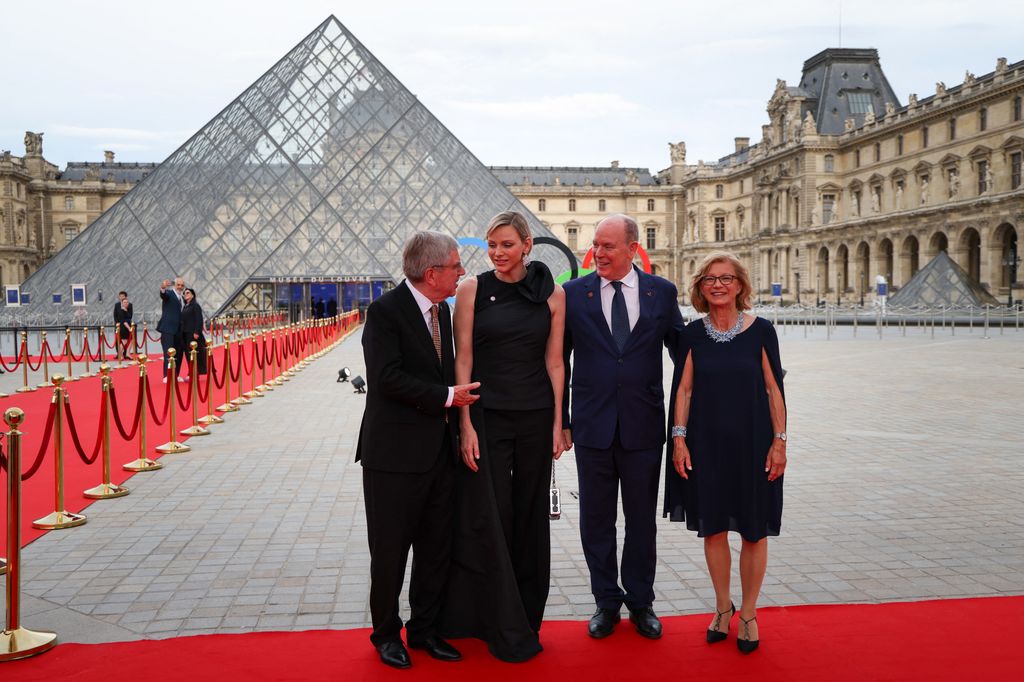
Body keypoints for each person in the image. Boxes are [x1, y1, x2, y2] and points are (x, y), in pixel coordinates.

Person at [439, 211, 566, 662]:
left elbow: (555, 363)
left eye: (507, 245)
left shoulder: (553, 294)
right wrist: (465, 424)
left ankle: (527, 615)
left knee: (531, 517)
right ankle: (493, 616)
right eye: (492, 245)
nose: (497, 253)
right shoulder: (472, 289)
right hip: (487, 417)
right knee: (492, 515)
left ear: (527, 245)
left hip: (535, 416)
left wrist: (558, 423)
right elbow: (463, 362)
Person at [355, 231, 480, 670]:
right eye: (455, 265)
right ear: (433, 274)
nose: (462, 271)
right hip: (393, 458)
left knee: (435, 548)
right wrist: (448, 396)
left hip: (438, 456)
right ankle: (386, 634)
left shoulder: (444, 312)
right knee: (389, 552)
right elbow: (386, 378)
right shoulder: (385, 312)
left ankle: (425, 629)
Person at [561, 214, 683, 640]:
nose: (598, 253)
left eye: (608, 246)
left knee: (640, 521)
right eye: (595, 245)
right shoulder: (573, 294)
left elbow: (684, 355)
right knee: (595, 519)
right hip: (592, 428)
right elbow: (558, 362)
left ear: (633, 249)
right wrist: (561, 421)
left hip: (643, 426)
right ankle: (605, 602)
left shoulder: (661, 293)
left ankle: (642, 602)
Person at [664, 251, 787, 655]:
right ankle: (722, 607)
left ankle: (748, 613)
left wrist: (780, 442)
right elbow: (683, 390)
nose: (718, 285)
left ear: (740, 285)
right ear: (700, 287)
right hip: (706, 445)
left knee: (754, 528)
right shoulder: (692, 334)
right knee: (713, 526)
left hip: (754, 445)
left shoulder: (762, 330)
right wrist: (679, 440)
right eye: (709, 279)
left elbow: (774, 390)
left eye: (726, 278)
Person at [158, 277, 187, 382]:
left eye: (182, 285)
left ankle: (176, 374)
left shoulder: (183, 297)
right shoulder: (169, 294)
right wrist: (163, 287)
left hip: (179, 330)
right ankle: (166, 375)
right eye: (178, 285)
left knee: (178, 353)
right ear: (175, 285)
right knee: (168, 352)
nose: (180, 287)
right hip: (168, 329)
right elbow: (163, 295)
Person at [180, 288, 207, 376]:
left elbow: (199, 319)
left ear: (192, 295)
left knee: (194, 353)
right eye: (184, 293)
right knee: (188, 354)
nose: (186, 294)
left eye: (188, 293)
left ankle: (195, 371)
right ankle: (192, 371)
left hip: (192, 334)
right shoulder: (185, 306)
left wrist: (196, 332)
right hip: (185, 333)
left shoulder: (195, 305)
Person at [113, 290, 133, 360]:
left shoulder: (129, 305)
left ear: (126, 297)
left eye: (123, 296)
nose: (121, 297)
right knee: (122, 341)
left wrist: (126, 310)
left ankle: (126, 354)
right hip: (121, 326)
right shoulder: (117, 305)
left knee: (129, 340)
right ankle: (120, 354)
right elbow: (115, 315)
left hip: (127, 325)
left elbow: (130, 316)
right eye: (120, 296)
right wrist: (117, 323)